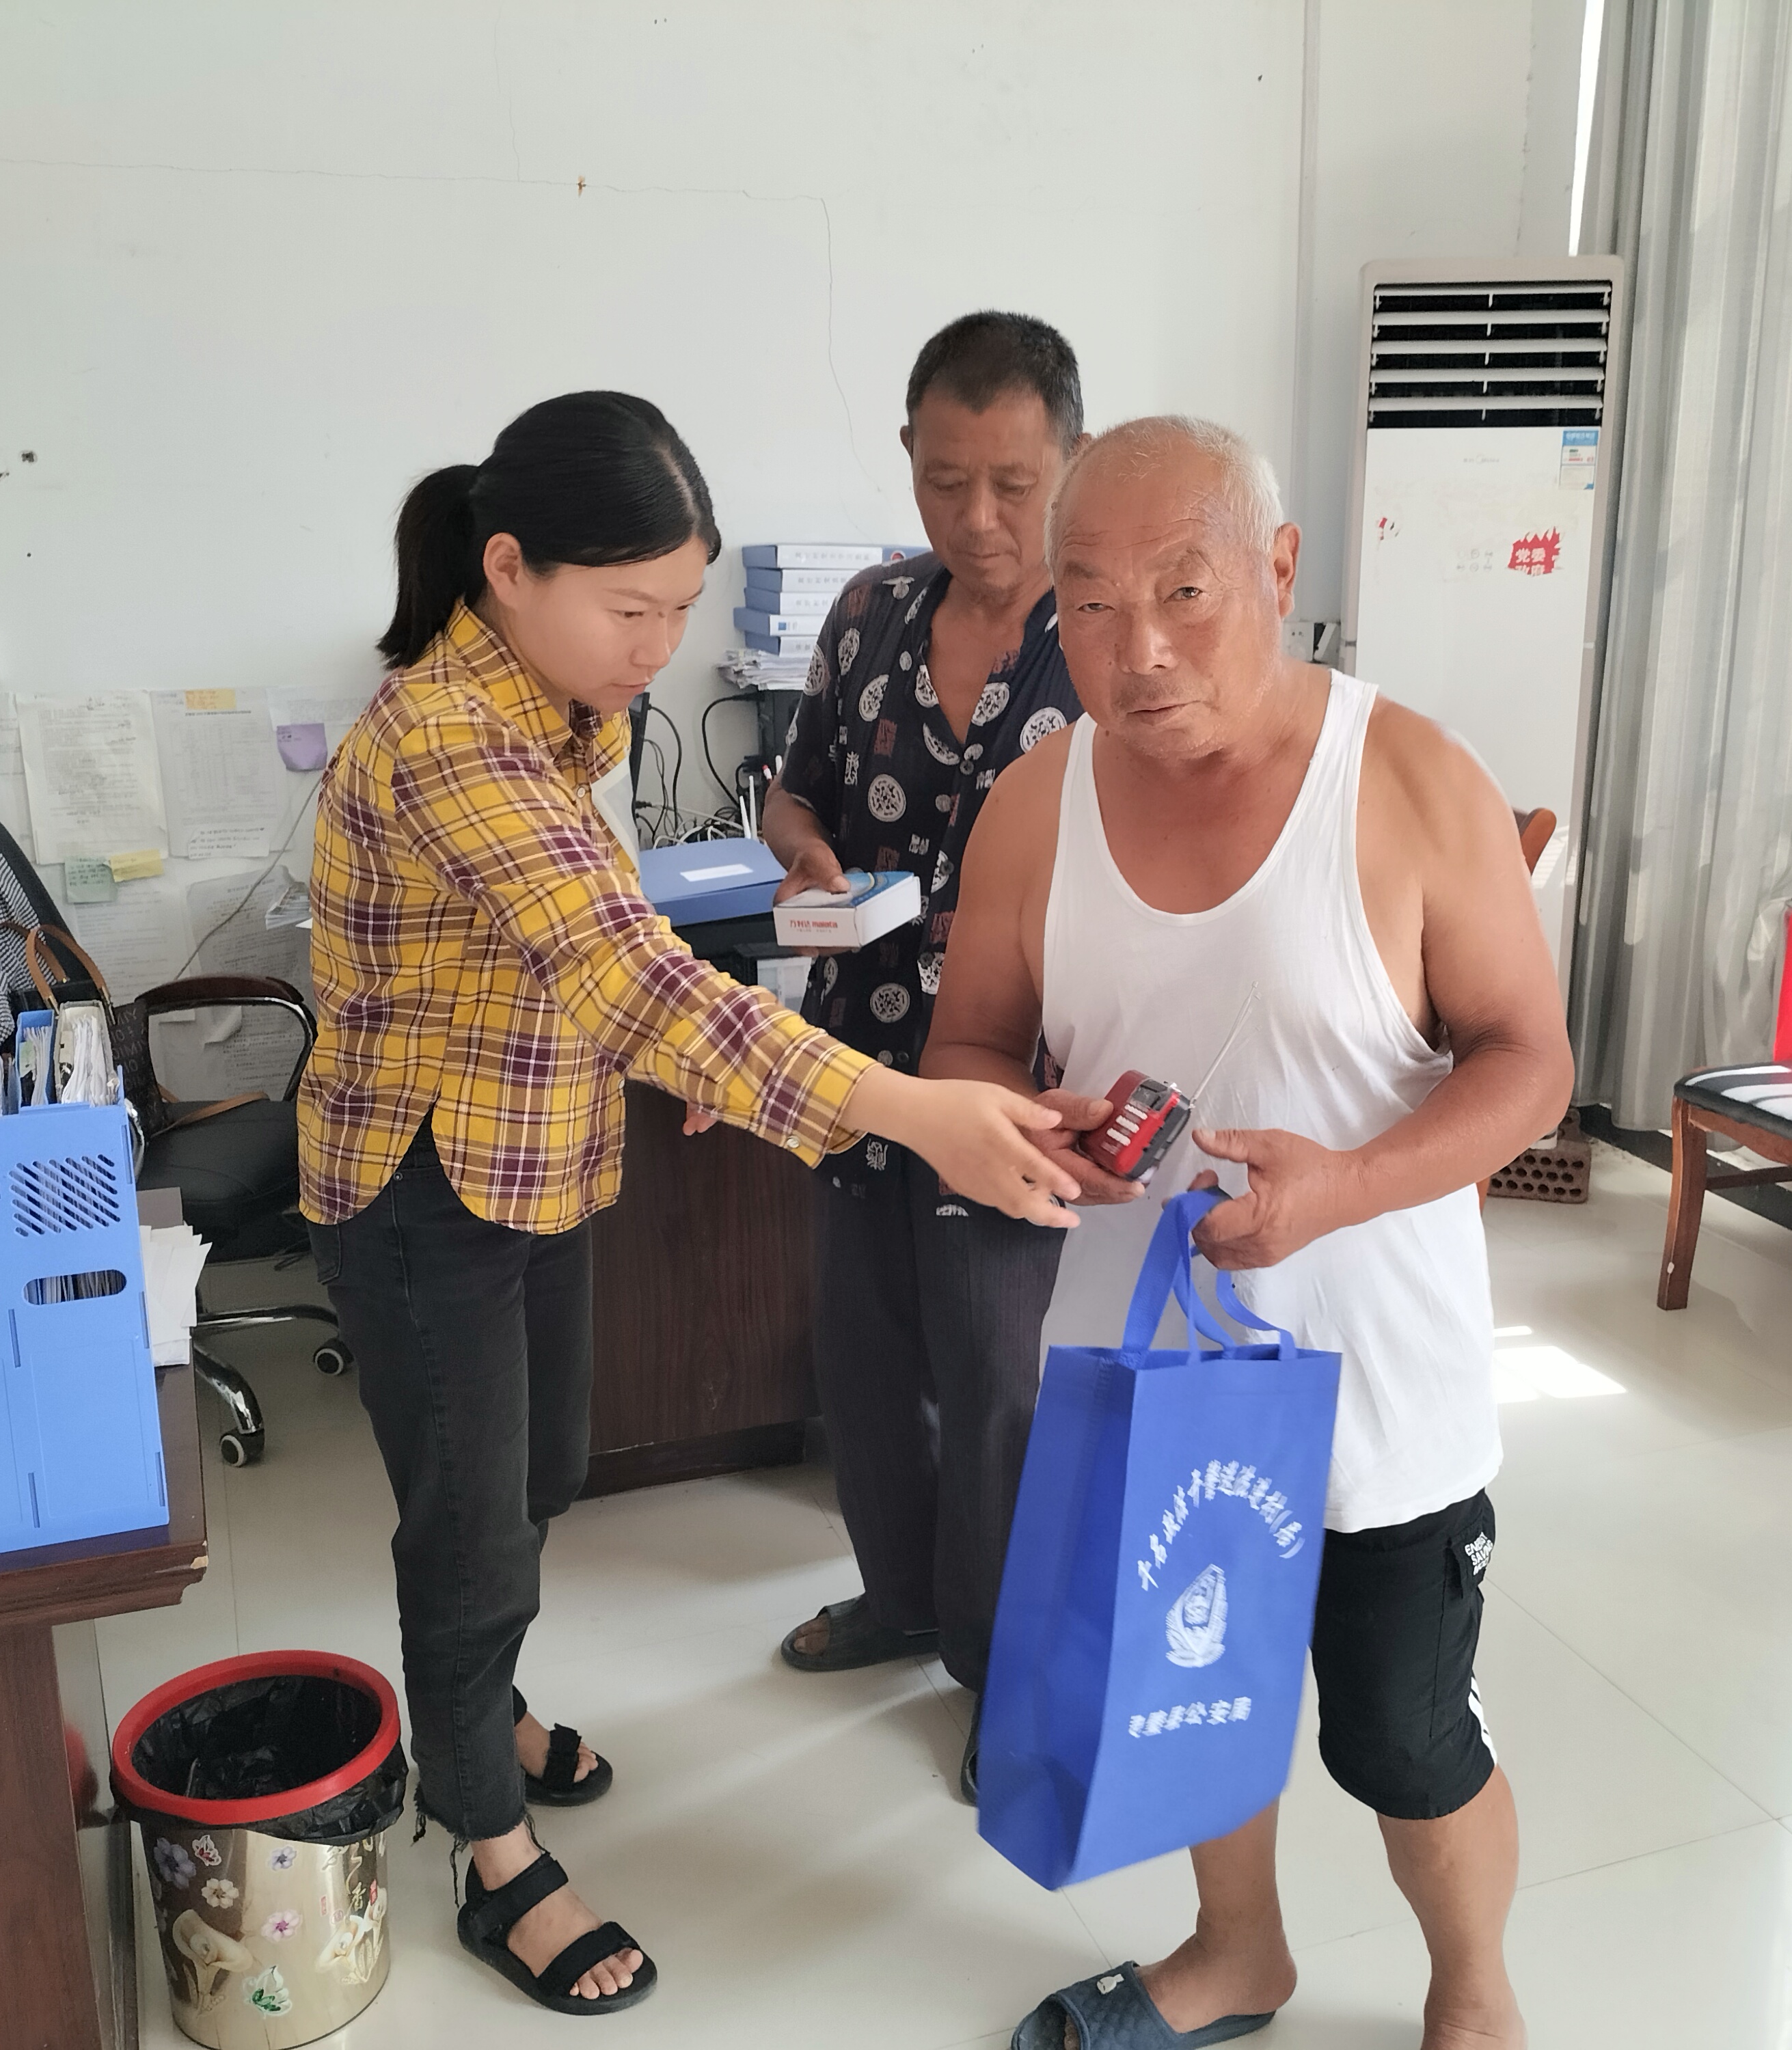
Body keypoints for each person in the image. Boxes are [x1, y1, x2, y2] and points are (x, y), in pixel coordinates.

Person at [298, 390, 1083, 2019]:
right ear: (507, 569)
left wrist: (712, 1056)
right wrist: (907, 1111)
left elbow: (592, 954)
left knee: (539, 1474)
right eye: (630, 608)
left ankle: (481, 1709)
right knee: (469, 1526)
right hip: (421, 1184)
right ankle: (486, 1843)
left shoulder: (552, 700)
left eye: (679, 609)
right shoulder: (450, 735)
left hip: (531, 1156)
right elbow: (622, 974)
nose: (658, 648)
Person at [922, 415, 1571, 2050]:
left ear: (1278, 571)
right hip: (1149, 1379)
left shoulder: (1408, 780)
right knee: (1195, 1698)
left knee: (1403, 1738)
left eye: (1183, 592)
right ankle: (1237, 1951)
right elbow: (970, 1047)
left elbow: (1530, 1065)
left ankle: (1473, 1987)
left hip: (1378, 1390)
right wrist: (1028, 1132)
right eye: (1087, 604)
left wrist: (1338, 1189)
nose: (1134, 651)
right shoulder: (1035, 806)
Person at [762, 313, 1115, 1790]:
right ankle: (901, 1597)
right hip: (860, 1060)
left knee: (994, 1384)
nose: (976, 520)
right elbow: (792, 789)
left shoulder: (1110, 641)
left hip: (1015, 1078)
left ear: (1071, 462)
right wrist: (805, 857)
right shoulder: (868, 615)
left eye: (1013, 485)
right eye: (943, 480)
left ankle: (1002, 1665)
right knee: (863, 1355)